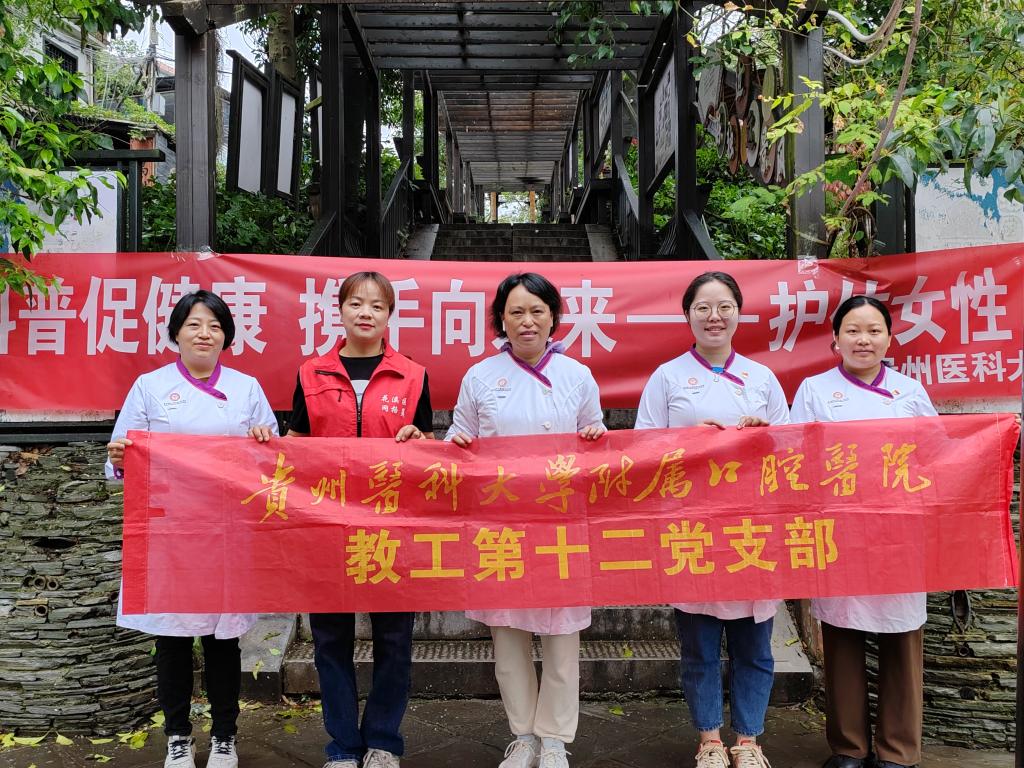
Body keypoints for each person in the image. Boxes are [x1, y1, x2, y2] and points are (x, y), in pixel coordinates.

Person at [105, 290, 278, 768]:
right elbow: (120, 457)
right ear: (176, 333)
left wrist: (264, 440)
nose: (205, 334)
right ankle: (178, 736)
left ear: (227, 337)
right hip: (171, 534)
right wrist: (119, 458)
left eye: (215, 326)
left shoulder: (246, 388)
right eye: (194, 325)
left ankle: (224, 736)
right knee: (173, 640)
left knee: (224, 640)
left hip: (227, 532)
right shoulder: (150, 386)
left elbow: (273, 461)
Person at [446, 272, 605, 768]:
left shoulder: (577, 375)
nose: (527, 321)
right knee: (507, 633)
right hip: (501, 523)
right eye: (516, 312)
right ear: (501, 319)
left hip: (561, 522)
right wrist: (457, 443)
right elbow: (459, 438)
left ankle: (554, 738)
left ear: (553, 317)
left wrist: (596, 436)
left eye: (537, 311)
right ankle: (523, 736)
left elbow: (594, 437)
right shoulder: (480, 376)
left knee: (561, 635)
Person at [634, 272, 788, 768]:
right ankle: (709, 741)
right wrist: (687, 440)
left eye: (724, 306)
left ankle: (749, 740)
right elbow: (643, 449)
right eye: (703, 307)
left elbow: (790, 451)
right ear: (687, 315)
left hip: (751, 527)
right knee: (699, 645)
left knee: (755, 646)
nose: (714, 316)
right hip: (692, 527)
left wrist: (764, 433)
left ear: (739, 313)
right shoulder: (667, 377)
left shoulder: (762, 378)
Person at [287, 271, 433, 768]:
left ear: (390, 315)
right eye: (356, 303)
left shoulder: (413, 375)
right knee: (330, 641)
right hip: (326, 527)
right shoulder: (311, 373)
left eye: (376, 305)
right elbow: (296, 445)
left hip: (392, 526)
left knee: (394, 640)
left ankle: (384, 742)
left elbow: (427, 446)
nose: (365, 312)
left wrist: (420, 440)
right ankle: (343, 746)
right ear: (340, 310)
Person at [790, 295, 936, 768]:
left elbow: (936, 454)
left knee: (902, 634)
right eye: (853, 330)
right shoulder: (814, 390)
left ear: (889, 339)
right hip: (840, 531)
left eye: (874, 331)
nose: (863, 340)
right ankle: (849, 747)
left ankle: (898, 750)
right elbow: (794, 455)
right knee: (842, 634)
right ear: (835, 339)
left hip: (899, 530)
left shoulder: (910, 392)